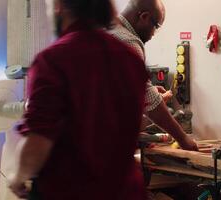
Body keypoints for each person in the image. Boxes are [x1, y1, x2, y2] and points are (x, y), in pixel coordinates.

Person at [8, 0, 150, 199]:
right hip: (125, 191)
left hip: (71, 191)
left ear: (59, 6)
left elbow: (38, 141)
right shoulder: (131, 59)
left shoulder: (52, 60)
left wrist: (18, 176)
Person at [109, 0, 198, 151]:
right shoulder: (128, 42)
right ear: (144, 17)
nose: (153, 34)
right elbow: (149, 100)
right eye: (156, 26)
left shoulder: (108, 28)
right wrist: (183, 139)